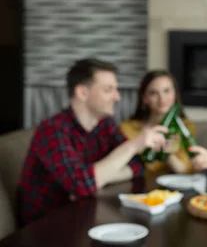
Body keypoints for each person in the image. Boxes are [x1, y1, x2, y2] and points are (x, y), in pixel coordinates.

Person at [17, 58, 168, 224]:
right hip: (46, 227)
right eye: (108, 90)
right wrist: (133, 145)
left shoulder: (105, 124)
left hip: (84, 217)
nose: (117, 97)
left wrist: (99, 179)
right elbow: (80, 185)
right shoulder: (52, 131)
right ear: (82, 93)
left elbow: (137, 166)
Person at [120, 70, 197, 175]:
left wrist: (168, 154)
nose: (162, 98)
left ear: (175, 94)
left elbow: (186, 171)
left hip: (171, 188)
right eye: (153, 93)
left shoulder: (185, 127)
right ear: (145, 98)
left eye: (166, 91)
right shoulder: (127, 128)